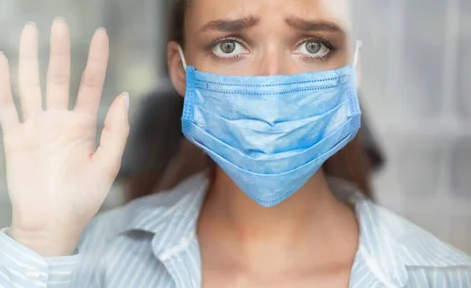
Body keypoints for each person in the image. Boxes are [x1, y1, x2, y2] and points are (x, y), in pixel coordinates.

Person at [0, 0, 471, 288]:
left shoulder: (445, 283)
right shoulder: (97, 262)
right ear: (181, 71)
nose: (272, 77)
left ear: (352, 71)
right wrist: (39, 241)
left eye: (313, 45)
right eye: (231, 44)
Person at [120, 80, 384, 202]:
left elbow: (364, 206)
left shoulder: (330, 92)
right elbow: (135, 226)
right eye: (229, 45)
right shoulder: (164, 106)